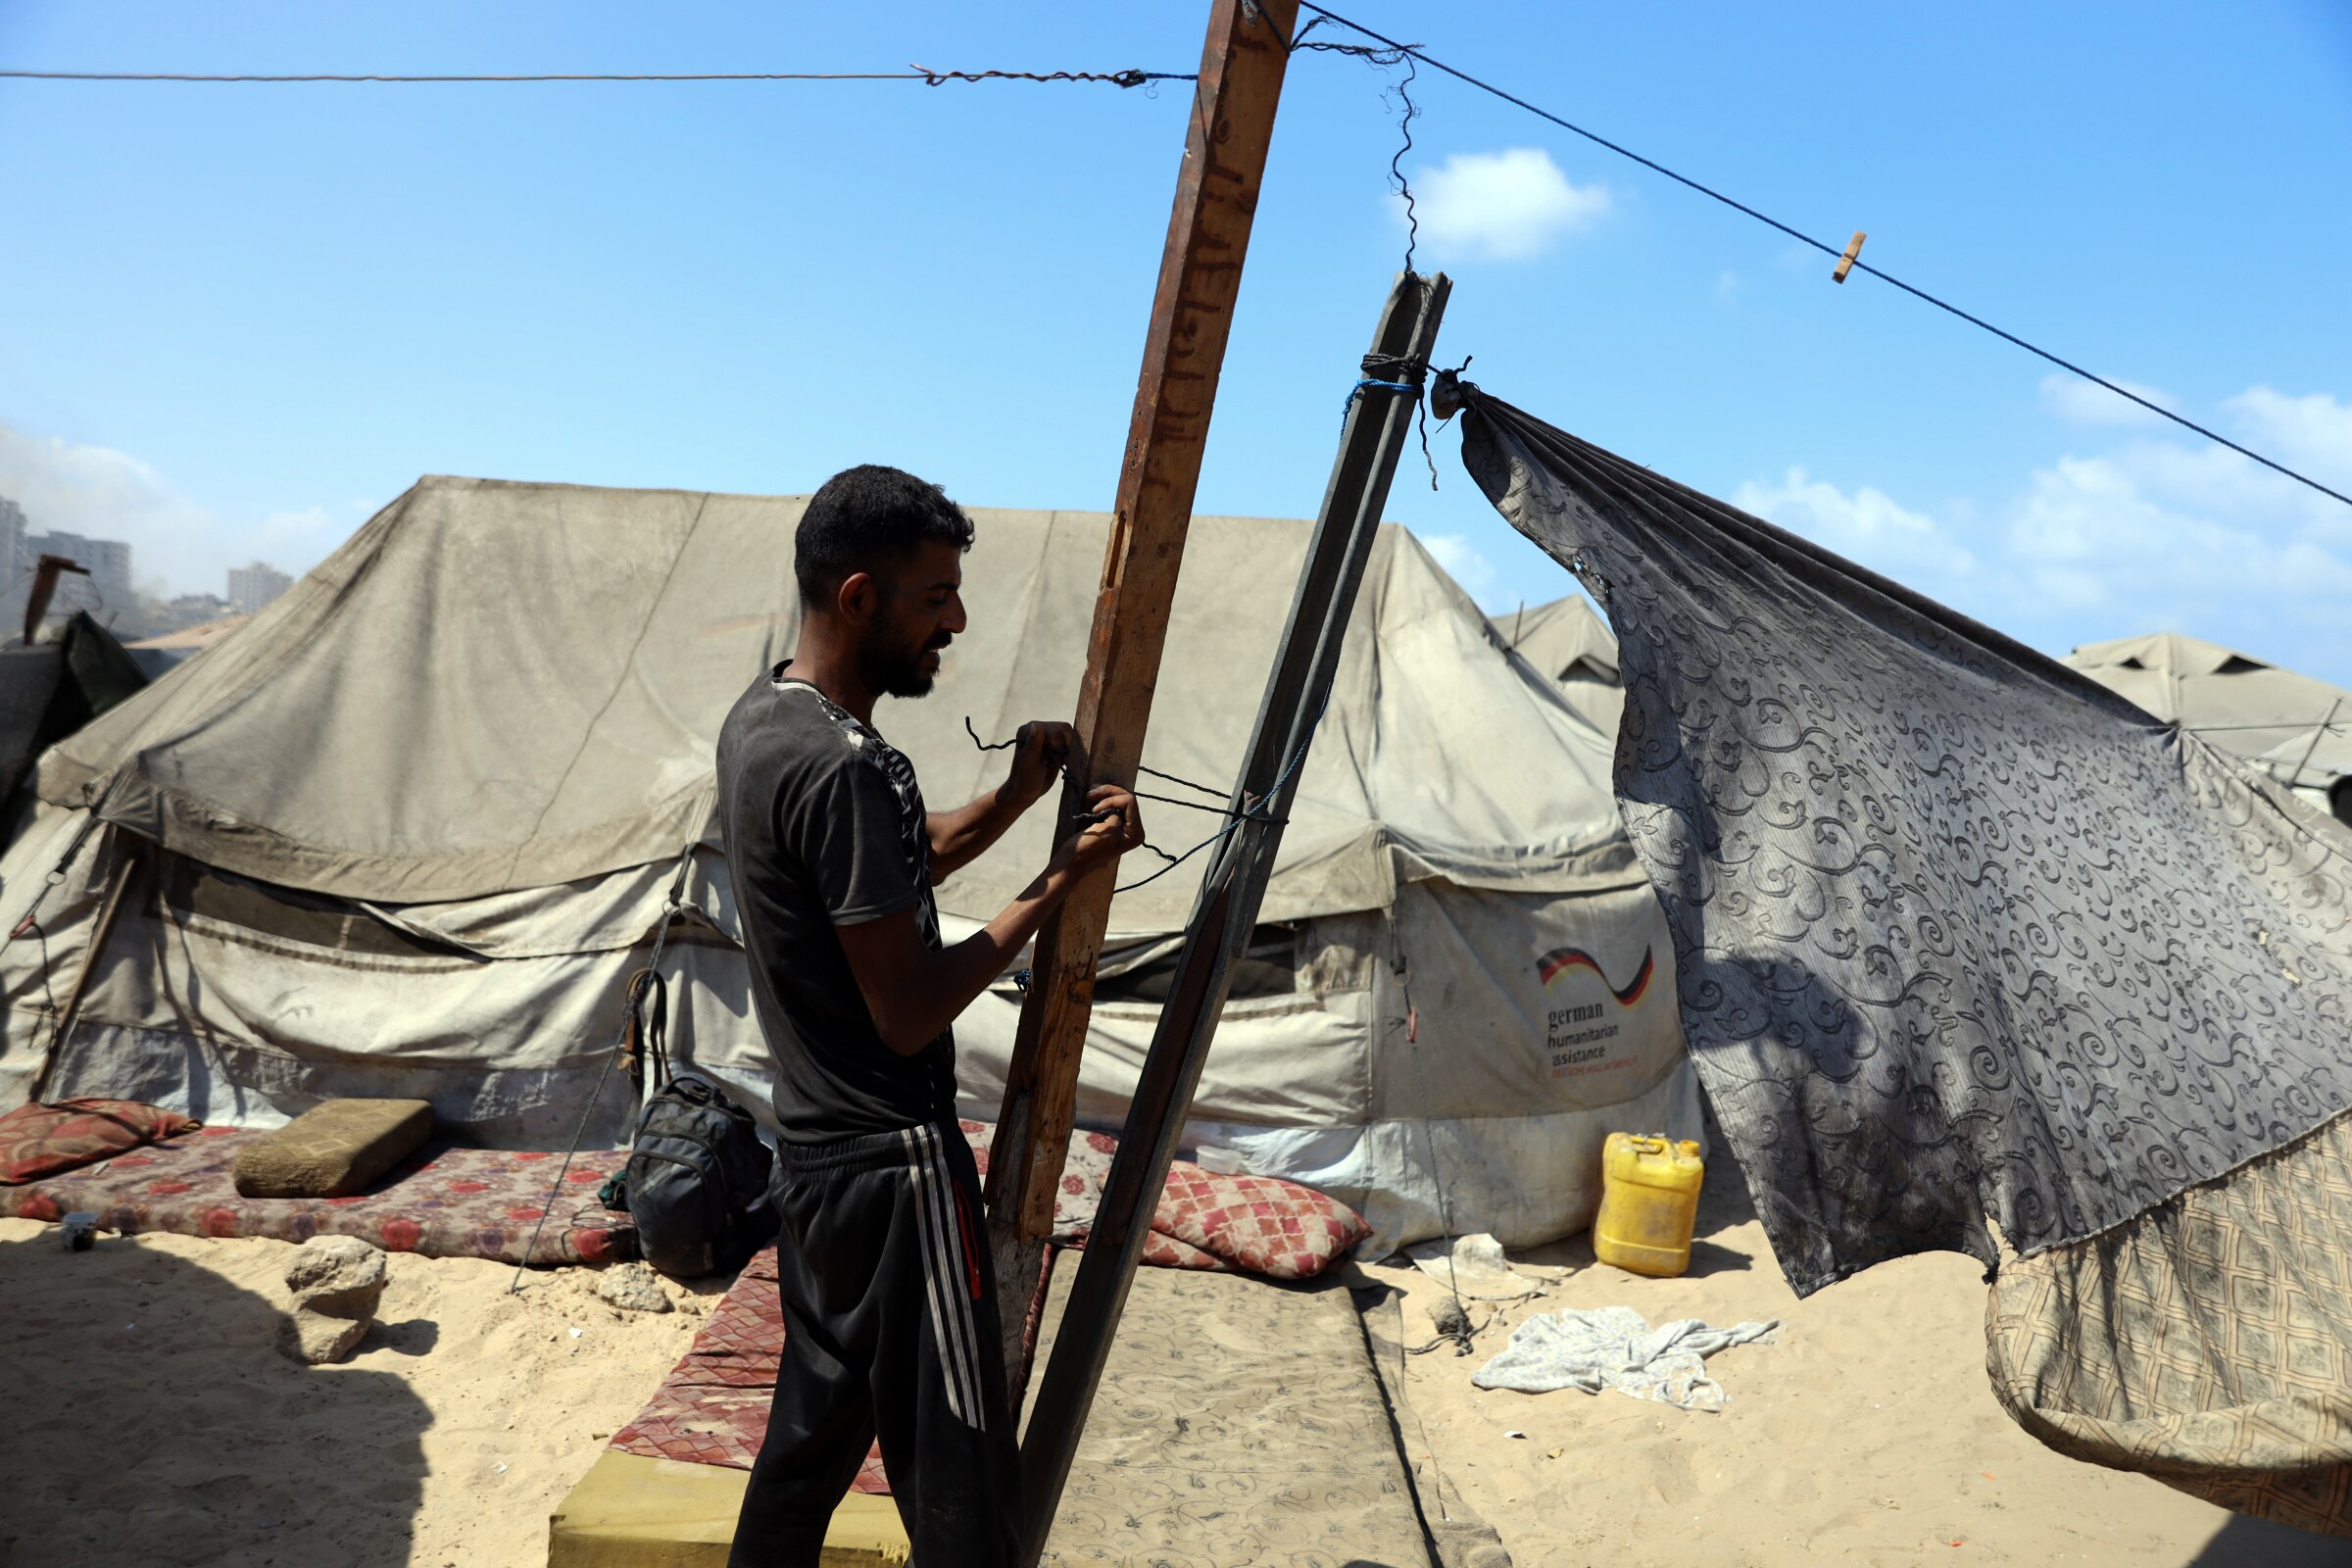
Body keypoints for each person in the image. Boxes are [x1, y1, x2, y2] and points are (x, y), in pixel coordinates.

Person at [717, 465, 1141, 1567]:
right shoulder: (847, 767)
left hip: (815, 1163)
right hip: (898, 1175)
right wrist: (1061, 880)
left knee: (804, 1457)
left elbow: (892, 869)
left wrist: (1012, 803)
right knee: (962, 1490)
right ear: (858, 598)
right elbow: (906, 1011)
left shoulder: (766, 718)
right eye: (934, 595)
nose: (955, 619)